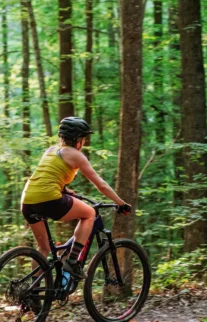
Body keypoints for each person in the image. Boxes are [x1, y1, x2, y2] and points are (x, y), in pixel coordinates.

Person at [20, 116, 131, 279]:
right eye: (84, 138)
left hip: (27, 200)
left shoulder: (50, 150)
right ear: (79, 140)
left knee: (43, 248)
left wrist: (64, 189)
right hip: (49, 199)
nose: (84, 142)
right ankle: (73, 262)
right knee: (90, 214)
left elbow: (46, 175)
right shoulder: (77, 155)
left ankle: (33, 294)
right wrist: (121, 203)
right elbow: (101, 185)